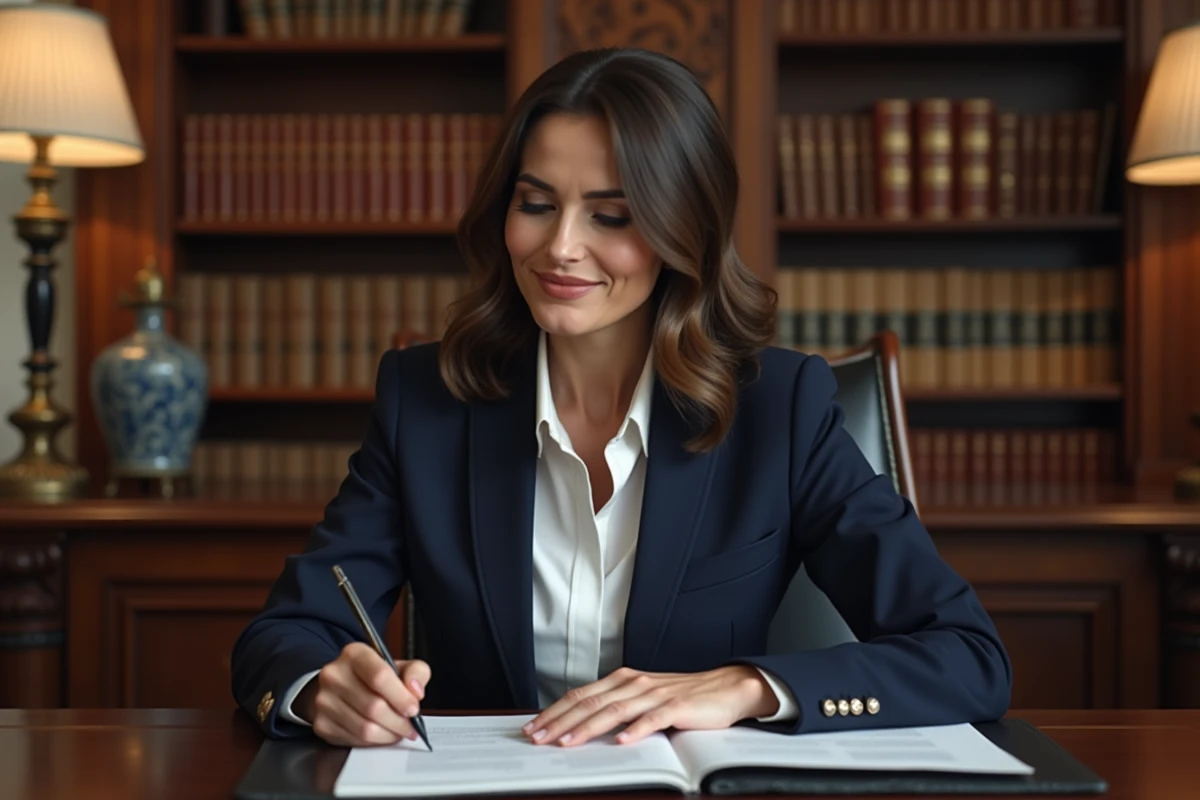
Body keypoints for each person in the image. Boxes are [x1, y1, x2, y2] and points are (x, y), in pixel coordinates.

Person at [230, 46, 1011, 749]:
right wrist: (320, 692)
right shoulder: (424, 402)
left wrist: (744, 686)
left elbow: (967, 655)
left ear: (684, 230)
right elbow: (288, 633)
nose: (560, 245)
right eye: (536, 204)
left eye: (612, 216)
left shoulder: (781, 409)